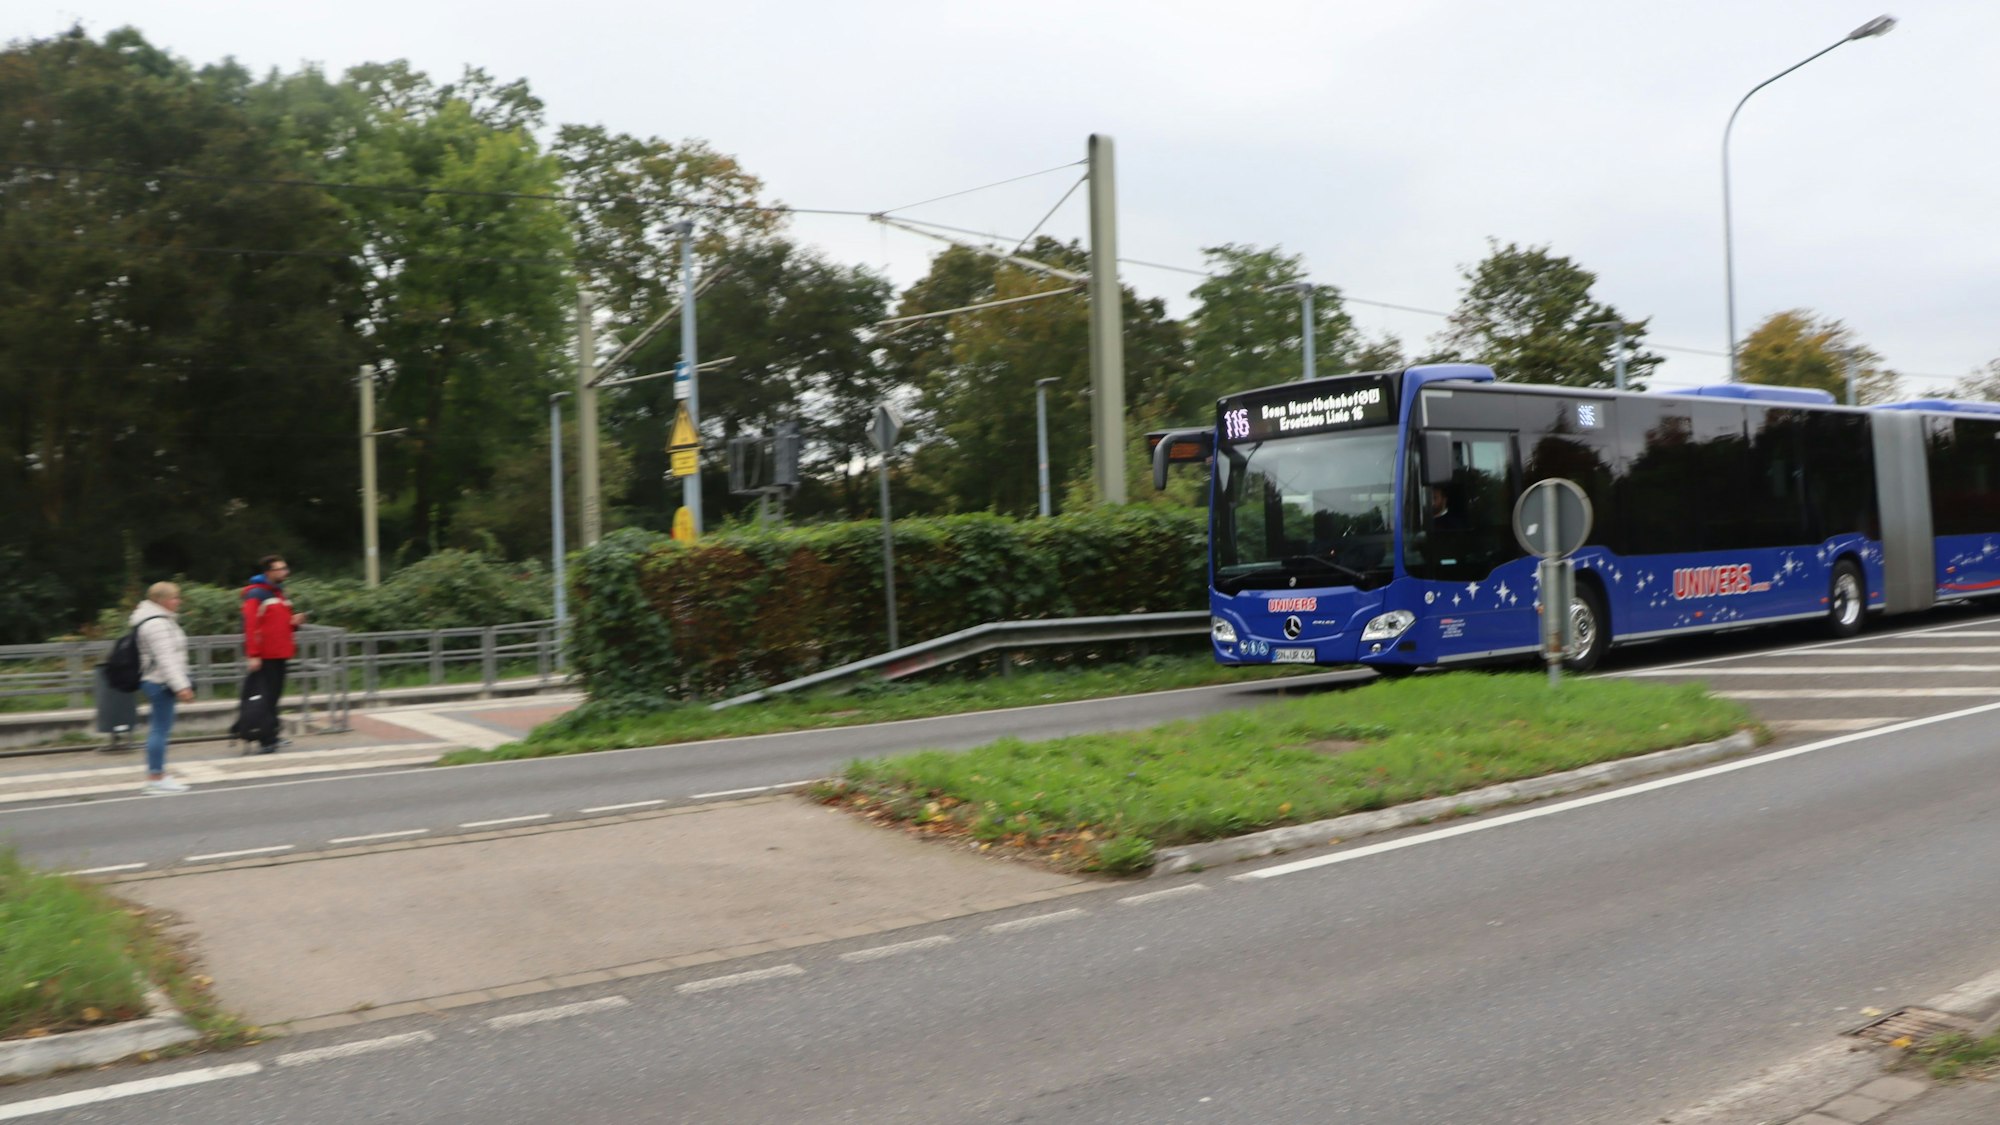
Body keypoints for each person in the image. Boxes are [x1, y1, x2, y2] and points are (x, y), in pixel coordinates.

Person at [133, 582, 195, 795]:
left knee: (160, 729)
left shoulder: (156, 620)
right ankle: (155, 777)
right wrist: (182, 686)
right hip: (160, 682)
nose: (178, 601)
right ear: (161, 600)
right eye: (174, 598)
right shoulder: (157, 624)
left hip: (158, 680)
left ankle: (158, 775)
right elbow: (166, 660)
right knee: (159, 730)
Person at [240, 554, 306, 753]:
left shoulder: (278, 594)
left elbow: (276, 625)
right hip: (266, 655)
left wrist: (293, 623)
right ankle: (266, 738)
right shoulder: (256, 595)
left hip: (280, 653)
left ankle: (272, 733)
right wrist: (253, 654)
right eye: (280, 569)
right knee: (265, 697)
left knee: (274, 697)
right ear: (268, 572)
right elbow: (250, 625)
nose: (285, 572)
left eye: (285, 568)